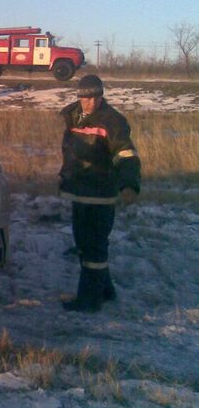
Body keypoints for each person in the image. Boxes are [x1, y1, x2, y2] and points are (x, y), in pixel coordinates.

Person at [59, 74, 141, 312]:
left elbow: (126, 154)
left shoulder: (113, 121)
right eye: (86, 97)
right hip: (79, 192)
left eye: (96, 97)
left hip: (100, 194)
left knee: (93, 248)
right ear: (79, 96)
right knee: (85, 245)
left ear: (101, 96)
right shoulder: (73, 115)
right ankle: (106, 290)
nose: (91, 102)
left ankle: (89, 300)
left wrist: (129, 183)